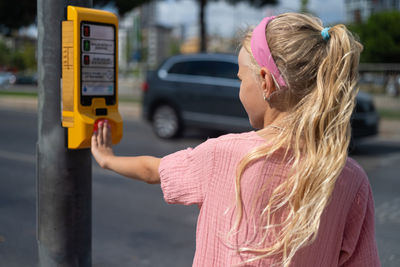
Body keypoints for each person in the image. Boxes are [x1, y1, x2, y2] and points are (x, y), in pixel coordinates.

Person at [91, 13, 380, 267]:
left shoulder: (225, 155)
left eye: (241, 79)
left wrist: (108, 159)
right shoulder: (350, 179)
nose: (239, 89)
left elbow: (153, 170)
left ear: (266, 82)